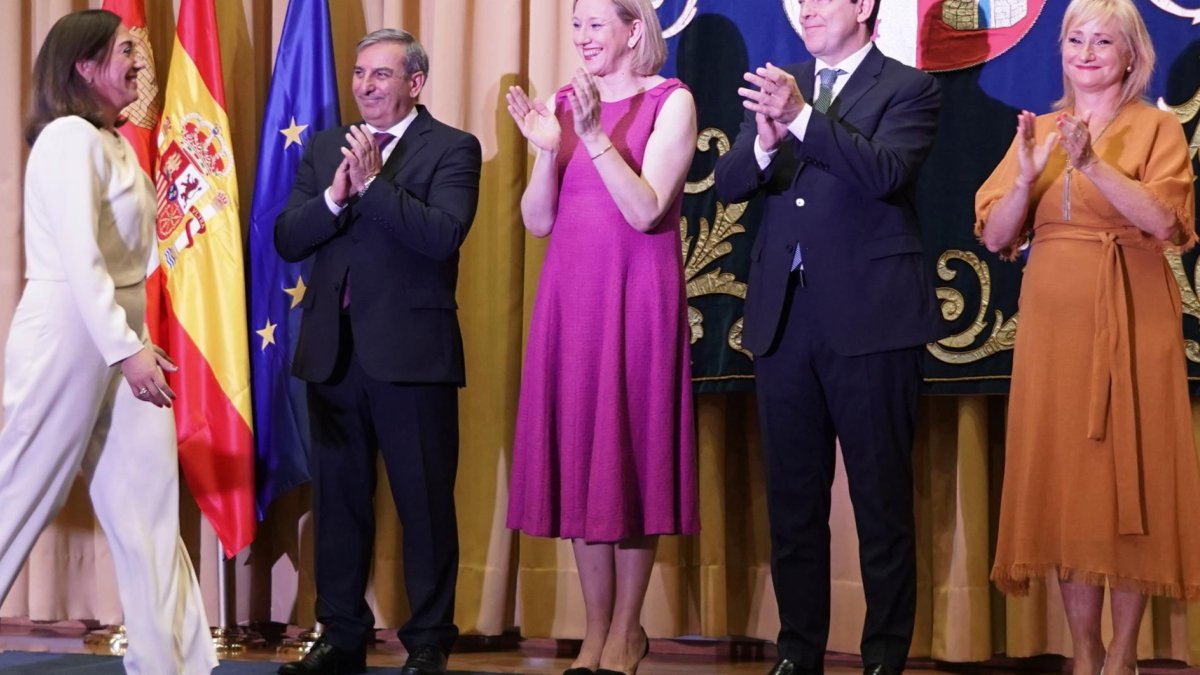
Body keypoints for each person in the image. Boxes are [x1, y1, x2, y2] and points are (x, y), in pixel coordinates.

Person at [714, 0, 943, 673]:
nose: (807, 9)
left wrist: (803, 119)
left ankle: (883, 657)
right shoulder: (780, 84)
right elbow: (728, 184)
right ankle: (798, 652)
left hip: (872, 320)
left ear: (865, 6)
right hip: (785, 321)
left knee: (881, 503)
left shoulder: (909, 88)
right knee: (792, 502)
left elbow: (885, 173)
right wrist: (763, 139)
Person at [975, 1, 1200, 673]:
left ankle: (1124, 654)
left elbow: (1166, 224)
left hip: (1134, 318)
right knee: (1070, 486)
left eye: (1105, 40)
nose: (1088, 50)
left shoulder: (1156, 128)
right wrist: (1023, 177)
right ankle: (1083, 650)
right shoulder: (1039, 129)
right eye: (1076, 38)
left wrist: (1093, 164)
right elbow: (994, 234)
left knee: (1126, 483)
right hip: (1053, 330)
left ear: (1133, 55)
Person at [0, 9, 216, 675]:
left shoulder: (115, 141)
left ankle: (171, 661)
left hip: (119, 330)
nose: (137, 61)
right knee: (20, 489)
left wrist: (130, 343)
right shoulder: (68, 139)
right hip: (69, 323)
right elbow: (81, 256)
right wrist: (126, 350)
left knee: (147, 501)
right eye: (123, 50)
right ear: (82, 67)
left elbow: (134, 259)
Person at [273, 28, 481, 675]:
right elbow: (286, 235)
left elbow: (441, 234)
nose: (365, 85)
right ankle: (340, 634)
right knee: (338, 501)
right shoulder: (327, 145)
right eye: (361, 73)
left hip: (413, 356)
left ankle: (427, 641)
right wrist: (337, 194)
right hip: (334, 355)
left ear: (415, 83)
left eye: (381, 75)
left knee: (423, 501)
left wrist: (373, 187)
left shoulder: (452, 148)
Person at [504, 0, 699, 673]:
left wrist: (589, 137)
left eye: (596, 24)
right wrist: (544, 152)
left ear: (634, 30)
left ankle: (626, 630)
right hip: (573, 299)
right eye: (577, 25)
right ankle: (592, 633)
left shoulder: (671, 101)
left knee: (631, 457)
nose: (582, 37)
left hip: (638, 296)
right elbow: (536, 221)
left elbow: (647, 209)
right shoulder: (565, 101)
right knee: (583, 457)